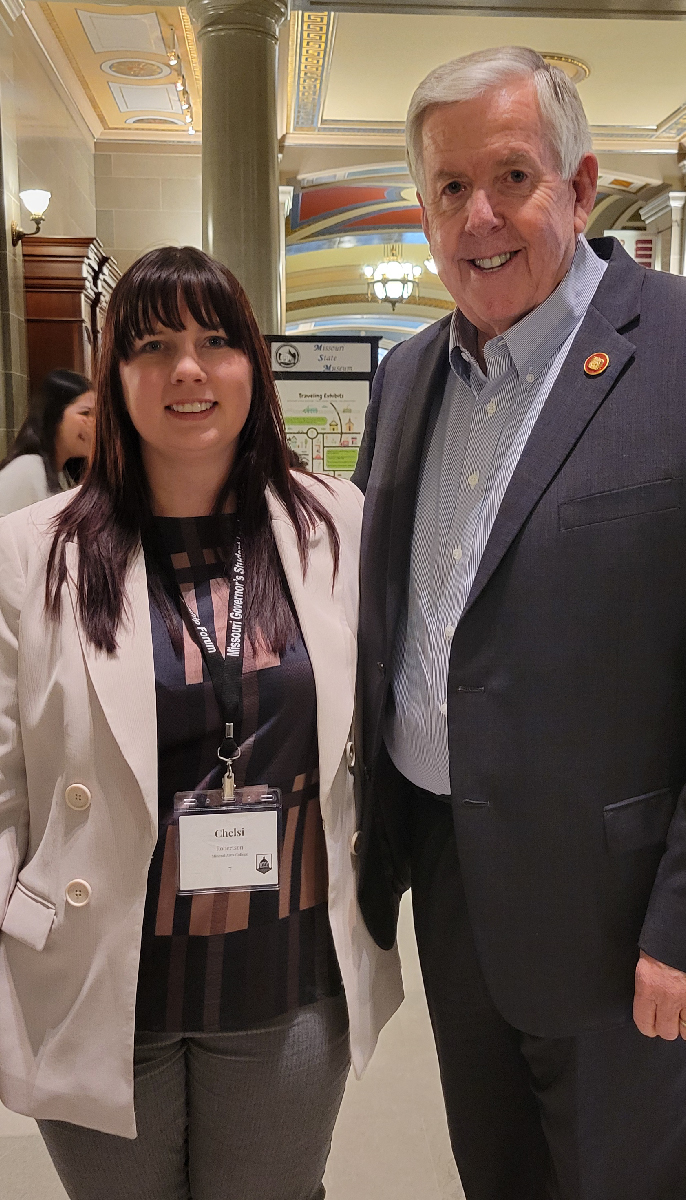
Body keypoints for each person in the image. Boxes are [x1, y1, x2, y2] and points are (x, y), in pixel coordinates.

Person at [350, 46, 686, 1199]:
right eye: (448, 189)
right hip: (451, 873)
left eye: (511, 177)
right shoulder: (407, 375)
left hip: (624, 921)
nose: (479, 216)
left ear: (580, 181)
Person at [0, 247, 401, 1195]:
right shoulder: (32, 553)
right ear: (115, 373)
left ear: (253, 366)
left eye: (215, 341)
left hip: (286, 981)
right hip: (100, 981)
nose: (188, 368)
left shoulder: (337, 524)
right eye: (153, 346)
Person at [0, 370, 98, 515]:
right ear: (55, 416)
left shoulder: (62, 474)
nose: (95, 423)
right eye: (85, 413)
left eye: (96, 415)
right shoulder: (28, 469)